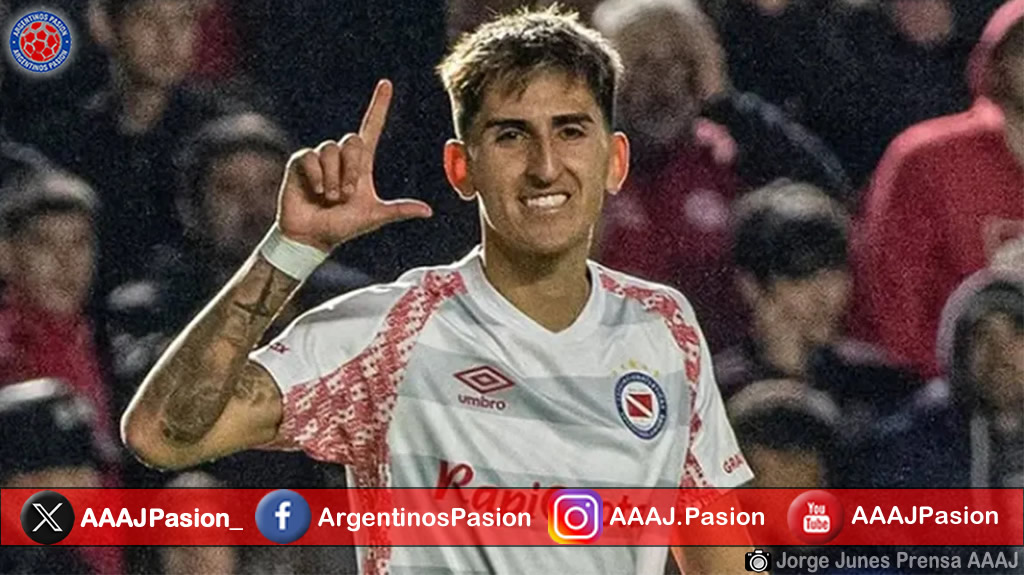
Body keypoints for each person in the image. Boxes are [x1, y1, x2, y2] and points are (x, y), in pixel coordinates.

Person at [122, 7, 753, 574]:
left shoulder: (662, 325)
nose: (544, 166)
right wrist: (289, 251)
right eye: (511, 135)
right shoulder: (389, 332)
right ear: (461, 168)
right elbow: (161, 435)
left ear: (614, 160)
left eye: (570, 131)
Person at [591, 0, 849, 350]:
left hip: (723, 361)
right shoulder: (587, 163)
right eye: (644, 64)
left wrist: (725, 102)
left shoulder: (729, 154)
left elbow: (827, 189)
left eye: (678, 63)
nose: (663, 84)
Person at [851, 0, 1024, 379]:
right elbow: (891, 300)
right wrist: (949, 386)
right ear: (996, 62)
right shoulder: (928, 158)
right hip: (940, 395)